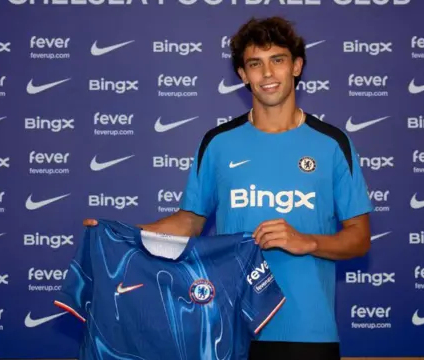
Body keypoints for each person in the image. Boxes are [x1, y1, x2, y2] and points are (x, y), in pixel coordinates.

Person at [84, 16, 372, 360]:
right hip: (228, 327)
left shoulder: (332, 144)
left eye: (277, 60)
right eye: (255, 64)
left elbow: (359, 237)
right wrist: (122, 234)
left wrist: (306, 241)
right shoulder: (218, 143)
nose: (267, 74)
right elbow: (189, 222)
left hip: (307, 329)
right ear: (242, 75)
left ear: (296, 66)